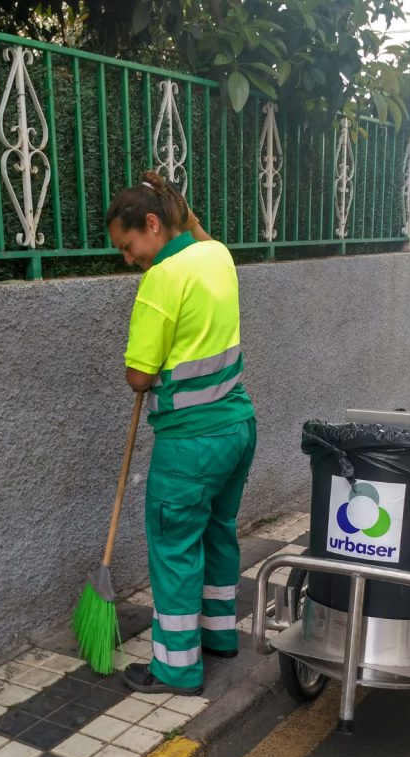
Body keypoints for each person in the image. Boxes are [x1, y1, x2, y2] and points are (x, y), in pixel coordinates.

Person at [106, 170, 257, 696]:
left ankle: (175, 668)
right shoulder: (216, 256)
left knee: (174, 548)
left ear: (151, 224)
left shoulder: (160, 283)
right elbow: (199, 232)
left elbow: (138, 378)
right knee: (219, 532)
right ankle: (219, 636)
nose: (129, 260)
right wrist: (182, 206)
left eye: (129, 246)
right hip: (238, 428)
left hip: (190, 444)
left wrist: (150, 360)